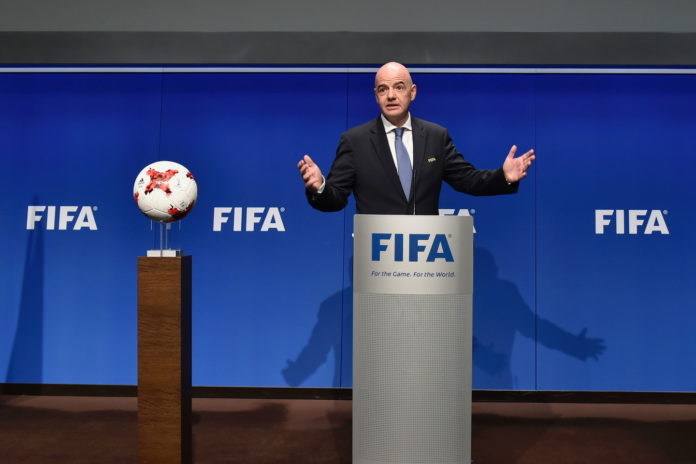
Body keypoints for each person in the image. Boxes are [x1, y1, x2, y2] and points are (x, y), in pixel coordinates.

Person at [298, 62, 535, 215]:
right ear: (376, 96)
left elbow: (468, 180)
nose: (391, 95)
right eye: (383, 89)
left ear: (412, 92)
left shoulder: (435, 136)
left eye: (399, 87)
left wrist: (504, 176)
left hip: (425, 257)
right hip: (377, 256)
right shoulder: (355, 141)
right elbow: (336, 199)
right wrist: (320, 187)